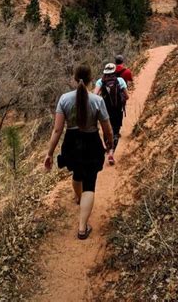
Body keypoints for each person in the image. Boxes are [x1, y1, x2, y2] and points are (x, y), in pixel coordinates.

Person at [44, 64, 114, 240]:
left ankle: (78, 196)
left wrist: (49, 153)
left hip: (71, 143)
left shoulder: (64, 99)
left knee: (77, 174)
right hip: (91, 142)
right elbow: (107, 129)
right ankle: (82, 228)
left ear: (74, 79)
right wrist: (110, 144)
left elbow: (57, 130)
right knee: (89, 184)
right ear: (92, 79)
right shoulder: (97, 101)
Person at [94, 63, 129, 160]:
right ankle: (111, 152)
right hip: (117, 110)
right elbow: (127, 96)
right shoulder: (120, 80)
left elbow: (95, 95)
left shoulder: (100, 82)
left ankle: (108, 147)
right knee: (116, 131)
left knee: (106, 130)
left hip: (105, 110)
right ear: (114, 71)